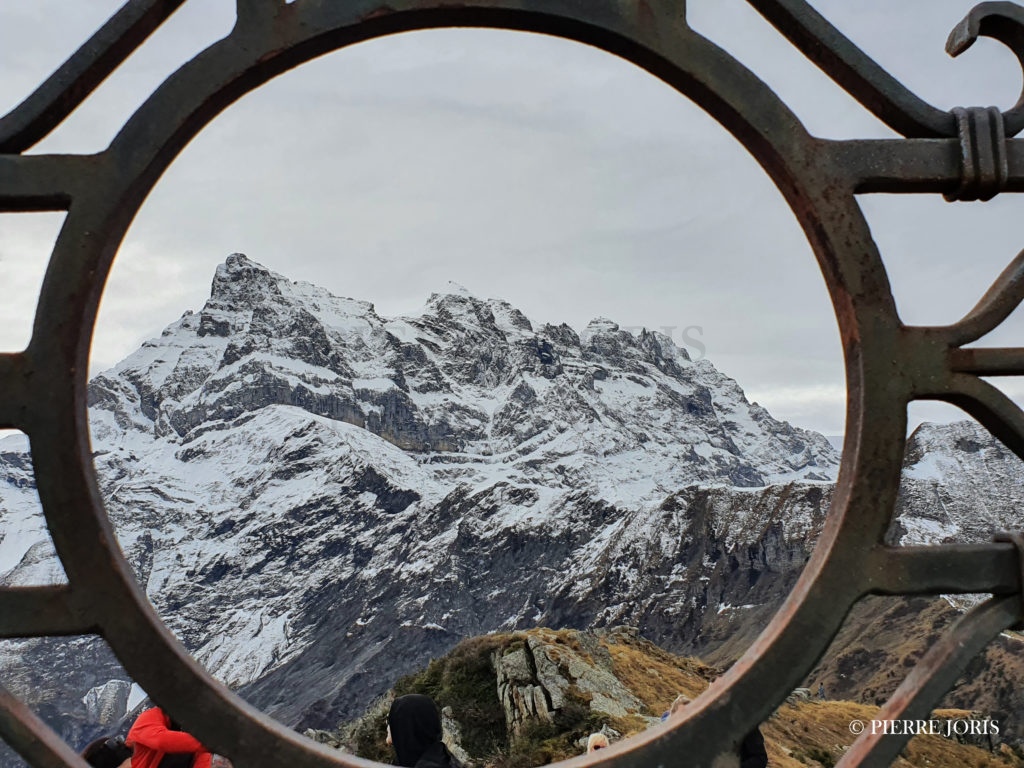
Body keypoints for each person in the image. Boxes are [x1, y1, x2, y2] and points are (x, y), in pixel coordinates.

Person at [386, 694, 461, 768]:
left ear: (404, 725)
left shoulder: (429, 765)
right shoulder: (440, 756)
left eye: (390, 720)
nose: (388, 726)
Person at [126, 706, 212, 768]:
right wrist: (210, 743)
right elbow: (161, 741)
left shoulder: (198, 742)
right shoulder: (151, 715)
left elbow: (202, 762)